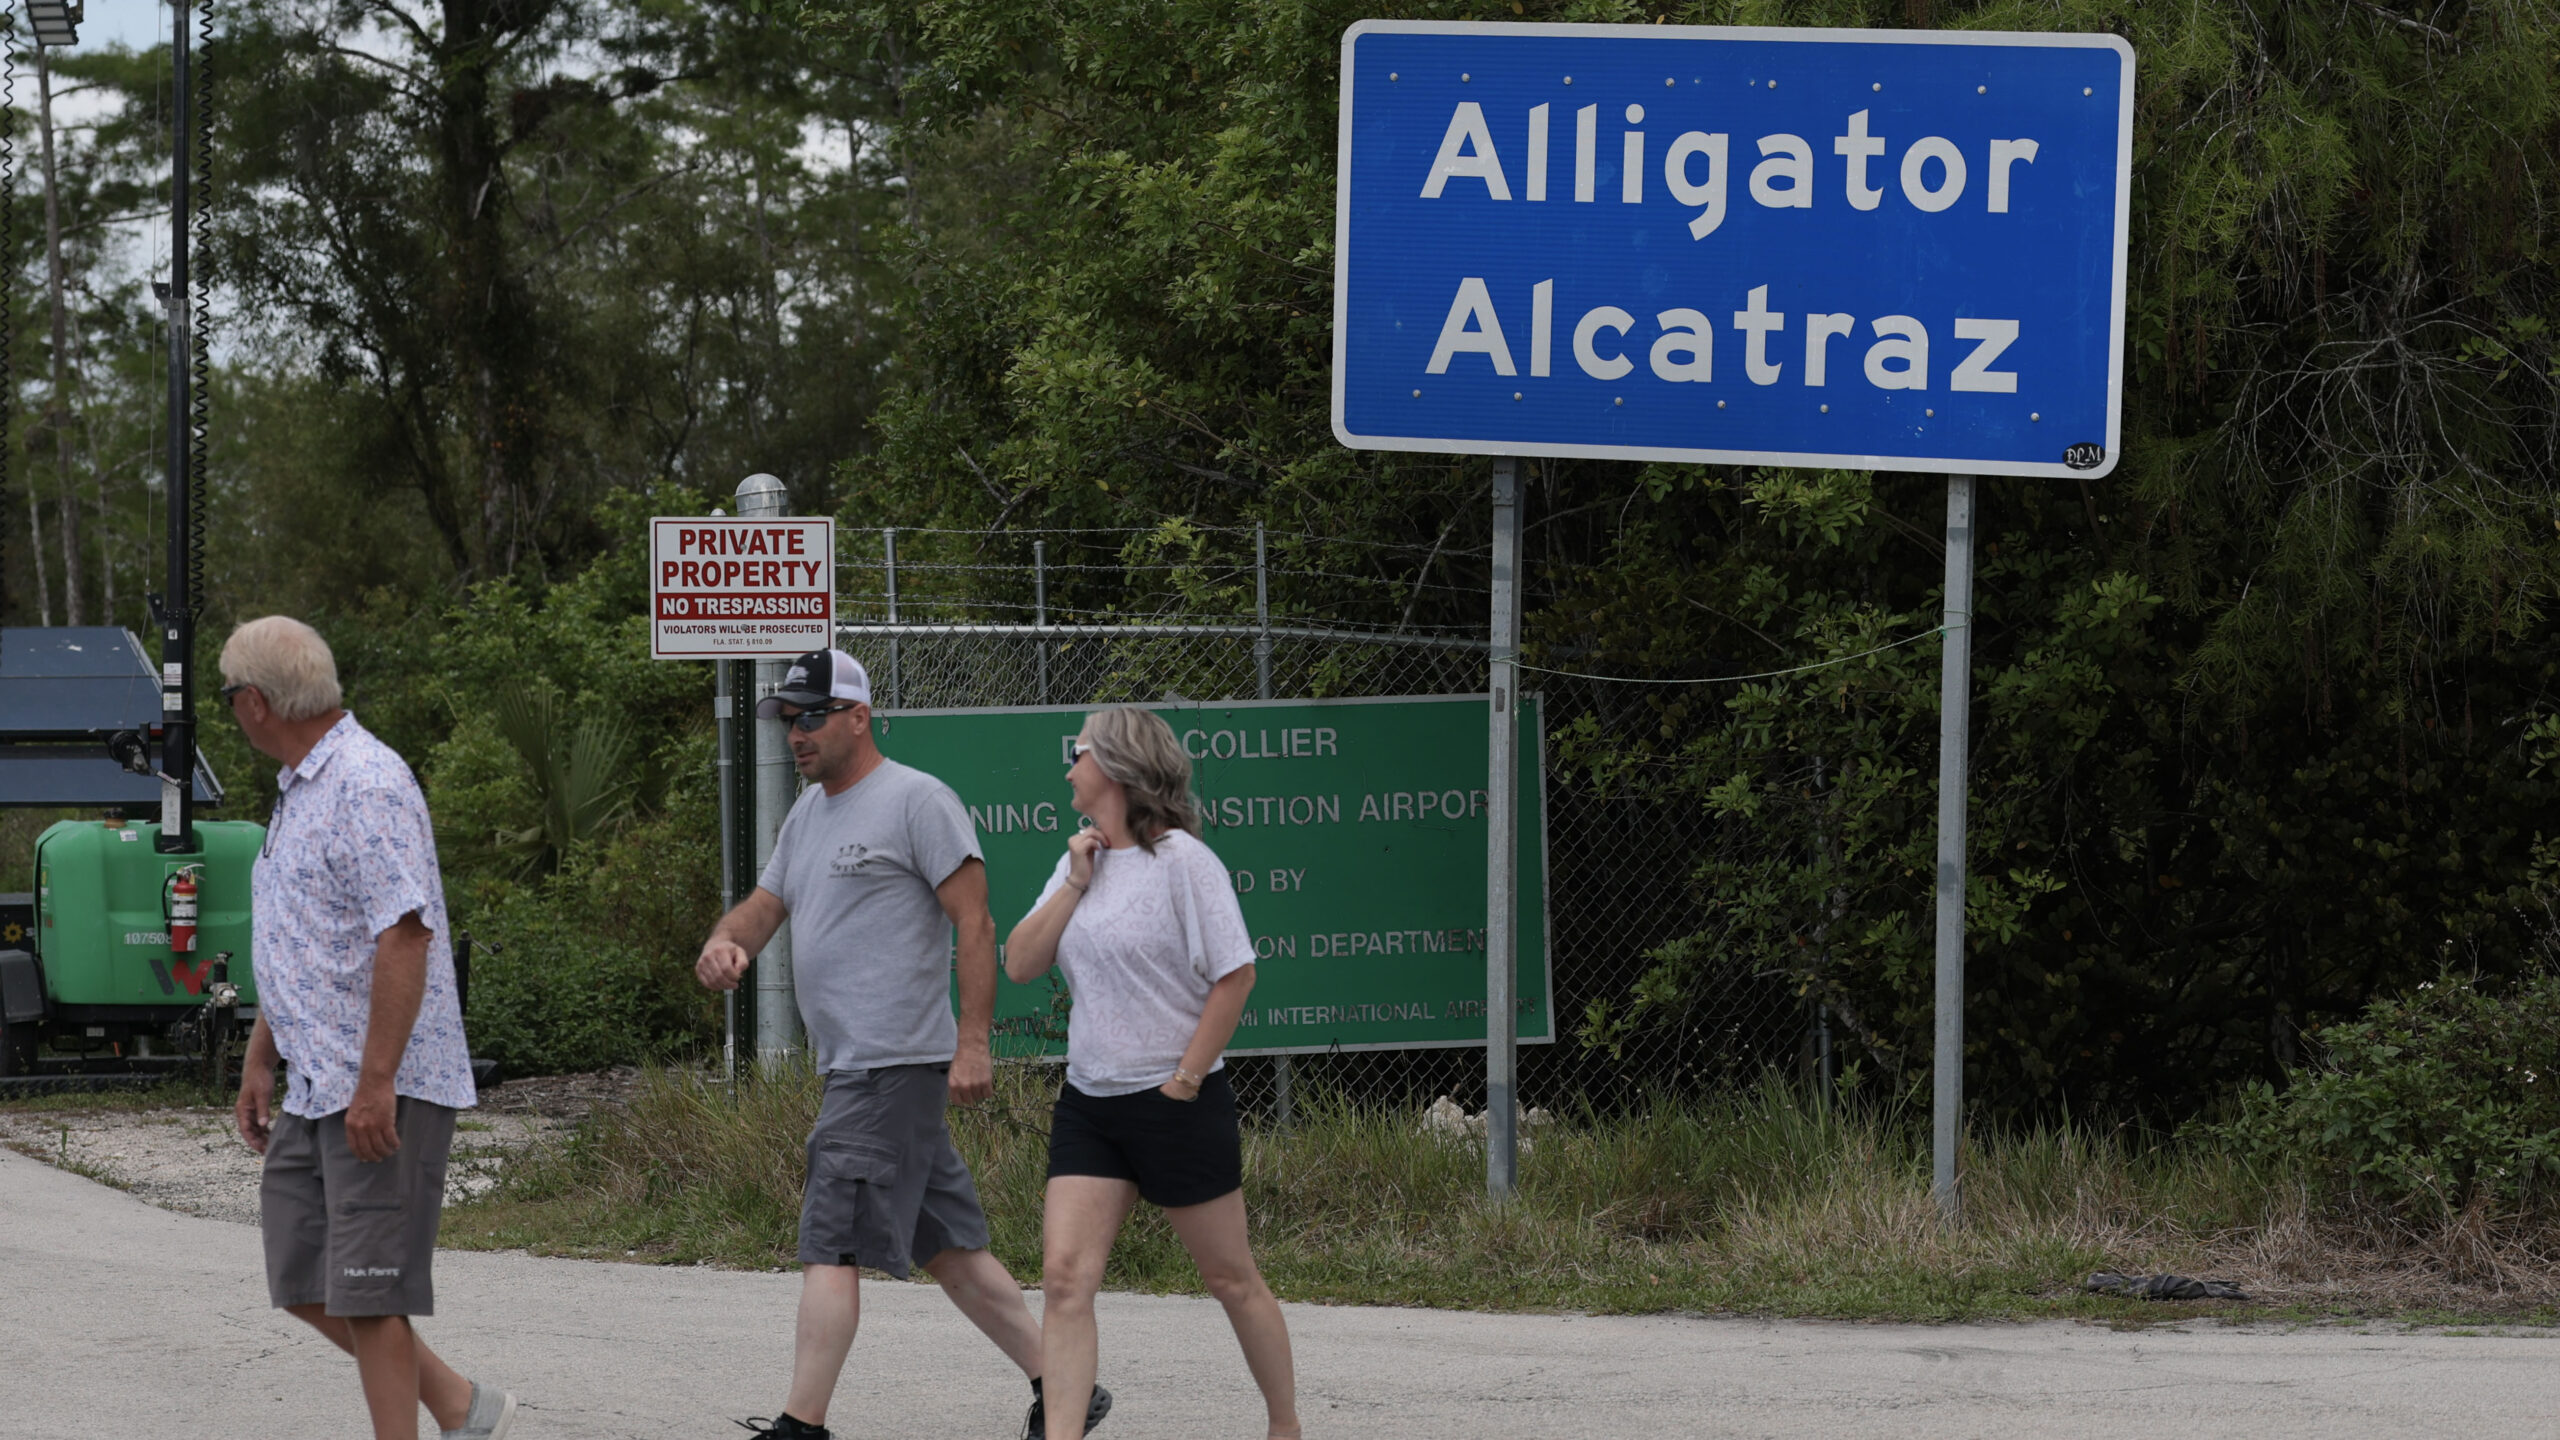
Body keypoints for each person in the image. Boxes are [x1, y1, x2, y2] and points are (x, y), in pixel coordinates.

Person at [694, 648, 1109, 1440]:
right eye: (789, 719)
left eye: (812, 716)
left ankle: (801, 1425)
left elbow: (976, 922)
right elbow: (764, 904)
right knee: (948, 1246)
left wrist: (974, 1043)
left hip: (887, 1066)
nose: (797, 733)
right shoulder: (807, 814)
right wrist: (727, 944)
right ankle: (1067, 1387)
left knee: (829, 1240)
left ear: (859, 716)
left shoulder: (917, 801)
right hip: (857, 1066)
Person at [222, 615, 515, 1440]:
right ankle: (460, 1402)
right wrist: (259, 1058)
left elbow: (406, 933)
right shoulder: (299, 790)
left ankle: (439, 1424)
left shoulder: (367, 782)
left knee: (372, 1290)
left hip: (380, 1084)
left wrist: (377, 1081)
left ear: (253, 702)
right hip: (315, 1082)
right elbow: (303, 942)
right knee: (302, 1276)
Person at [1005, 706, 1302, 1440]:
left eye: (1075, 755)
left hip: (1175, 1101)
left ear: (1114, 766)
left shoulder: (1184, 863)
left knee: (1230, 1278)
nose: (1066, 769)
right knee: (1067, 1280)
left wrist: (1187, 1080)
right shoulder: (1077, 861)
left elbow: (1235, 976)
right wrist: (1075, 881)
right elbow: (1019, 964)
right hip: (1090, 1102)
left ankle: (1286, 1427)